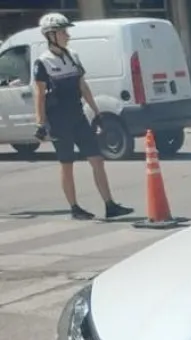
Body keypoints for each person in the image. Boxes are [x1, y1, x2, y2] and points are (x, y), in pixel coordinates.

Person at [32, 13, 132, 222]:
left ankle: (110, 204)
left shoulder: (73, 56)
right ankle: (74, 207)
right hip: (59, 120)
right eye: (63, 32)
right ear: (51, 35)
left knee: (97, 160)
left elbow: (83, 85)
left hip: (78, 116)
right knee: (67, 164)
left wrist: (96, 112)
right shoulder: (43, 62)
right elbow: (39, 94)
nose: (67, 35)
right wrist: (40, 123)